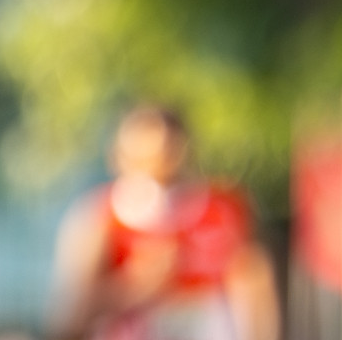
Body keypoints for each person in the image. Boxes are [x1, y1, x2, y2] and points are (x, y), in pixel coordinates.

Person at [50, 105, 281, 340]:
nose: (157, 166)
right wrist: (137, 286)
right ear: (119, 156)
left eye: (166, 153)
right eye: (141, 157)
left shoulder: (225, 210)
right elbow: (69, 319)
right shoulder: (101, 216)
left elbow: (256, 289)